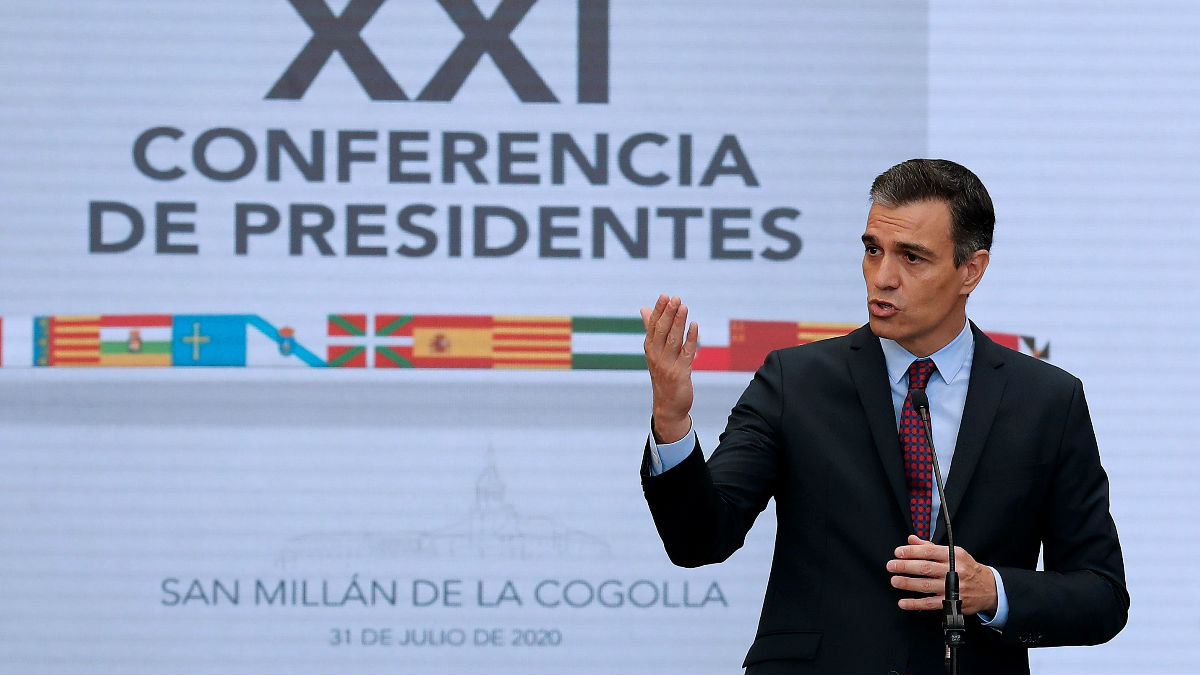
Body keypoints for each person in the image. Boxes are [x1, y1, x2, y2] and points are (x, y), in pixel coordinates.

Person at [639, 159, 1128, 674]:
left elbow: (1101, 596)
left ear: (971, 271)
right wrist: (672, 422)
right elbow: (698, 540)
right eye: (873, 250)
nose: (883, 278)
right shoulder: (795, 381)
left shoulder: (1046, 401)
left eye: (912, 258)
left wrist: (993, 590)